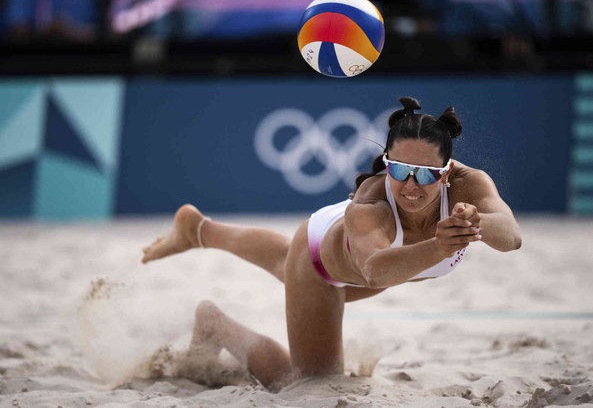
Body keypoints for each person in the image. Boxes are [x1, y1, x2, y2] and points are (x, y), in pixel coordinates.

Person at [141, 96, 522, 391]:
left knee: (282, 261)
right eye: (400, 169)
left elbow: (512, 237)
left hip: (346, 251)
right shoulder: (371, 206)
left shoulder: (468, 185)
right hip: (328, 268)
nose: (410, 184)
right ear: (387, 162)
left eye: (425, 174)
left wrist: (476, 223)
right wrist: (440, 245)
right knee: (307, 384)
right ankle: (215, 323)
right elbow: (374, 272)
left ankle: (197, 230)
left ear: (448, 173)